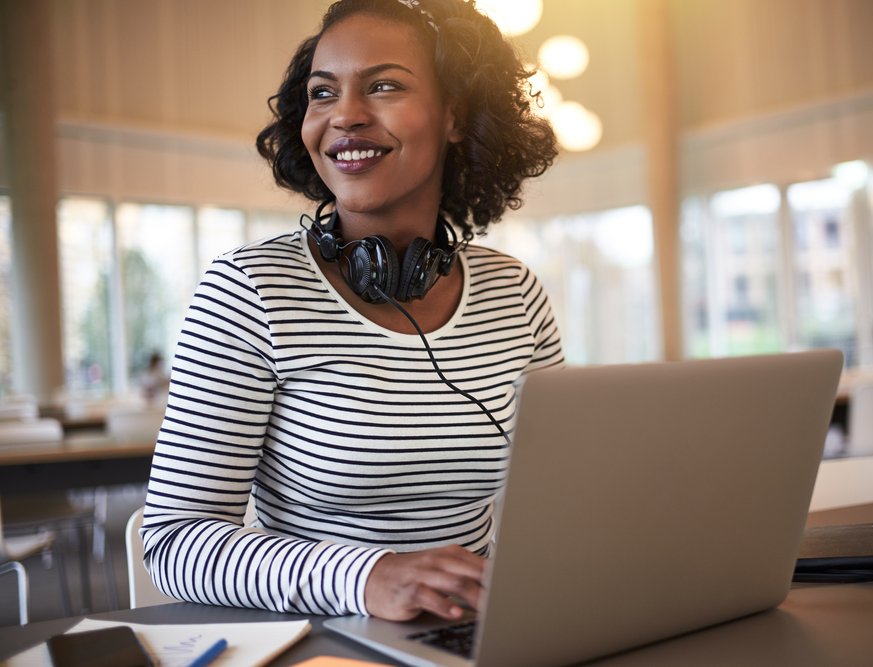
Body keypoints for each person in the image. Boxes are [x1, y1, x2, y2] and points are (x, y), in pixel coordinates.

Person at [140, 0, 563, 623]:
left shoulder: (514, 292)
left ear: (454, 115)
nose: (346, 115)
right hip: (323, 638)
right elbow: (175, 542)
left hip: (478, 632)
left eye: (384, 85)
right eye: (322, 92)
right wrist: (368, 578)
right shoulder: (252, 287)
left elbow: (556, 500)